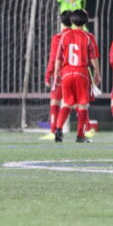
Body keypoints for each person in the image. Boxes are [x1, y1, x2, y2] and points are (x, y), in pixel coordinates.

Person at [53, 9, 101, 143]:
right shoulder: (88, 36)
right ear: (86, 21)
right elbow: (93, 57)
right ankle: (80, 135)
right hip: (81, 73)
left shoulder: (65, 36)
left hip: (67, 72)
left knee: (67, 103)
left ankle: (58, 130)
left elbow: (58, 57)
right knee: (83, 105)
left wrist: (56, 73)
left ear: (72, 21)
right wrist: (97, 72)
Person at [41, 10, 73, 140]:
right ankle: (85, 129)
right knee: (76, 103)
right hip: (74, 73)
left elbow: (53, 58)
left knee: (55, 100)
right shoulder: (78, 36)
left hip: (60, 74)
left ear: (61, 22)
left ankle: (54, 130)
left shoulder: (57, 37)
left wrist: (48, 74)